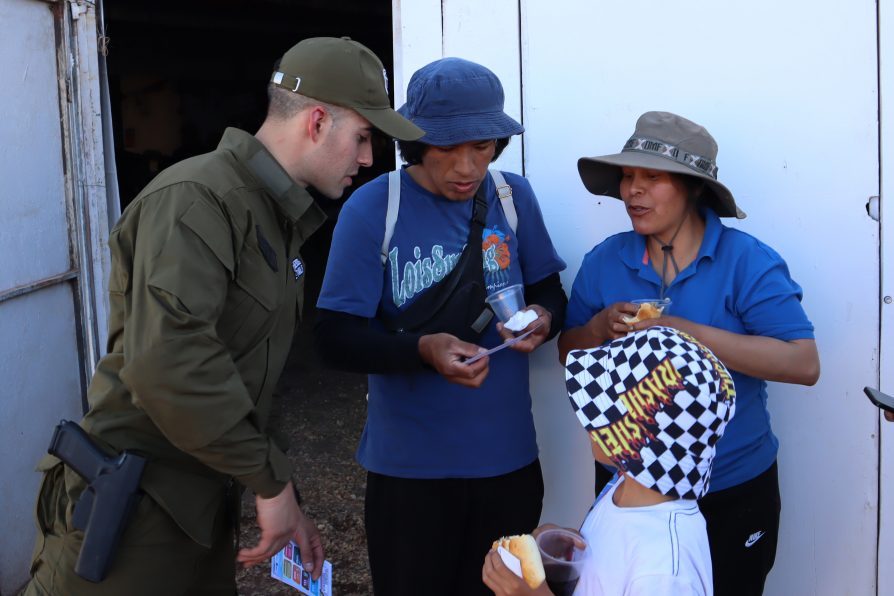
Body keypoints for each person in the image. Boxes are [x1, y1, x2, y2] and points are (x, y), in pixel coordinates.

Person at [24, 37, 423, 596]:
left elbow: (244, 375)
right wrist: (268, 481)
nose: (368, 158)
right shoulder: (198, 200)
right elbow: (169, 363)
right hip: (130, 519)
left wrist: (283, 493)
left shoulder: (271, 215)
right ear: (315, 121)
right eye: (363, 137)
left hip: (197, 510)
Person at [314, 57, 567, 595]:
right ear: (415, 141)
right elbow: (334, 337)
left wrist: (544, 317)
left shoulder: (511, 197)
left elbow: (549, 289)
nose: (467, 166)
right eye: (449, 146)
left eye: (482, 146)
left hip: (508, 465)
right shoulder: (374, 208)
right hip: (410, 473)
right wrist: (422, 351)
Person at [557, 111, 820, 595]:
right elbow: (568, 353)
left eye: (651, 177)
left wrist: (681, 331)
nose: (632, 190)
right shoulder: (604, 261)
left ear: (693, 187)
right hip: (630, 489)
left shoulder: (747, 262)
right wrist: (596, 327)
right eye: (628, 176)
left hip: (731, 486)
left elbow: (803, 363)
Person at [483, 326, 737, 595]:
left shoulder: (664, 571)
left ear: (632, 439)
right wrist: (571, 547)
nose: (587, 423)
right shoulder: (625, 485)